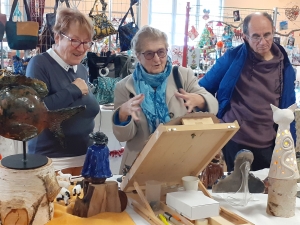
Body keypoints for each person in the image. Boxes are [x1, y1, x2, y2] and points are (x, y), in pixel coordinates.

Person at [112, 25, 219, 174]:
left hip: (179, 163)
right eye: (149, 54)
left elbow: (213, 105)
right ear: (138, 55)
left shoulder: (183, 76)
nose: (157, 59)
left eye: (161, 52)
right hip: (138, 165)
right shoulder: (124, 87)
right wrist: (122, 114)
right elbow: (123, 136)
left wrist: (200, 99)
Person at [199, 12, 296, 172]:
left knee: (264, 194)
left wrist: (290, 142)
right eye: (256, 37)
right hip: (233, 141)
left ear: (273, 31)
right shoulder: (233, 58)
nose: (263, 42)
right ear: (245, 37)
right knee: (231, 194)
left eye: (267, 35)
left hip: (268, 144)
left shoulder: (284, 65)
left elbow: (288, 108)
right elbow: (203, 89)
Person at [26, 8, 100, 175]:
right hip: (52, 162)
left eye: (86, 42)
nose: (81, 48)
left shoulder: (80, 68)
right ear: (57, 37)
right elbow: (35, 113)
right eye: (75, 40)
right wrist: (73, 90)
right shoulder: (39, 64)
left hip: (84, 158)